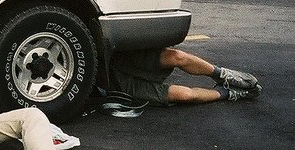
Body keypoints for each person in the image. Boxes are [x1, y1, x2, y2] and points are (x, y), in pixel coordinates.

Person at [110, 47, 261, 106]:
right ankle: (227, 92)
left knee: (176, 56)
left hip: (115, 54)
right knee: (184, 96)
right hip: (110, 82)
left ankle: (223, 75)